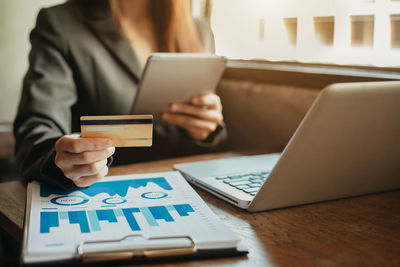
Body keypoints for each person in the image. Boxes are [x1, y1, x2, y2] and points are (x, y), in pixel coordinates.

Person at [13, 0, 227, 190]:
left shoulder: (199, 30)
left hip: (185, 188)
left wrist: (204, 130)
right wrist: (62, 161)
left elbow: (208, 135)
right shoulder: (61, 23)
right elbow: (36, 131)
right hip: (105, 190)